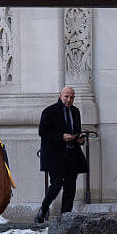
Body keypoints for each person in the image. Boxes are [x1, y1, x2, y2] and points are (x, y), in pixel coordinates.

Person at [35, 86, 88, 223]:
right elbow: (43, 132)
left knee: (70, 187)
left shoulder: (75, 112)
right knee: (56, 185)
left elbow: (76, 131)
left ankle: (66, 217)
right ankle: (43, 210)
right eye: (67, 97)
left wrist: (80, 139)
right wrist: (61, 137)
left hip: (72, 155)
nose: (69, 100)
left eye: (72, 97)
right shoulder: (49, 111)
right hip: (56, 156)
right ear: (60, 96)